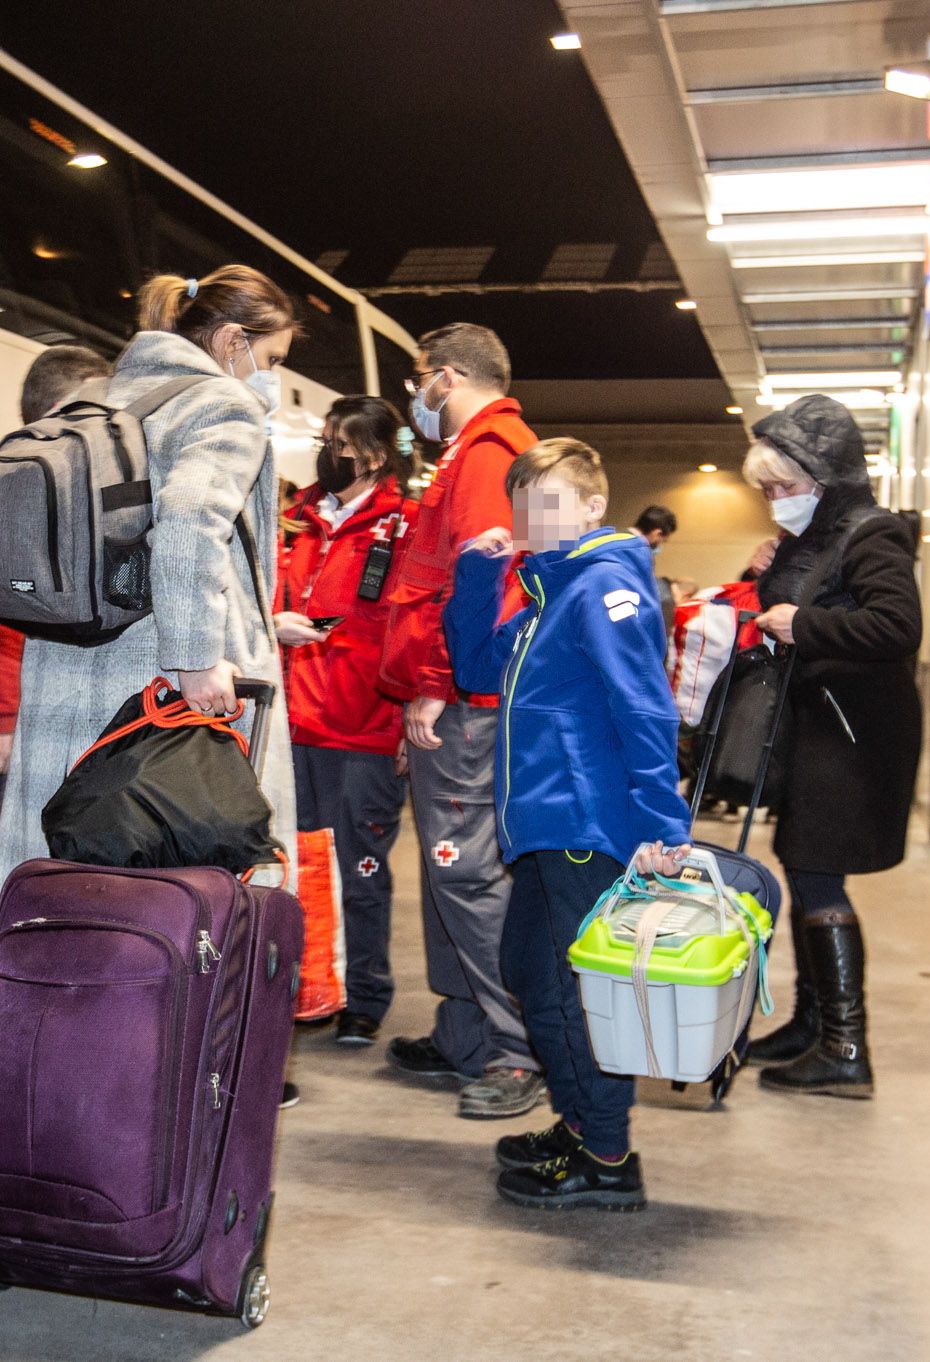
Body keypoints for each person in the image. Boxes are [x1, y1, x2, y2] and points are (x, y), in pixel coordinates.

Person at [0, 264, 298, 956]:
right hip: (164, 703)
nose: (268, 378)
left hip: (68, 677)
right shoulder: (218, 404)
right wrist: (194, 657)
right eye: (270, 359)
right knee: (182, 908)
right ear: (232, 340)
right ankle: (173, 1057)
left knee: (70, 904)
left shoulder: (96, 398)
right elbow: (186, 522)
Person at [443, 438, 693, 1211]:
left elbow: (644, 705)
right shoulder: (547, 598)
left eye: (550, 502)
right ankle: (580, 1125)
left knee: (575, 993)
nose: (533, 519)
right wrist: (480, 573)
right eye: (524, 504)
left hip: (585, 823)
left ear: (592, 506)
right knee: (531, 973)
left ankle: (607, 1155)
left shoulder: (603, 587)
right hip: (547, 826)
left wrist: (662, 820)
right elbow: (474, 670)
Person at [376, 323, 545, 1120]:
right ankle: (465, 1029)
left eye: (419, 380)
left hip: (465, 701)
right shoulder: (484, 449)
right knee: (451, 870)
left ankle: (516, 1049)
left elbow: (487, 580)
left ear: (445, 378)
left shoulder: (484, 456)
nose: (417, 398)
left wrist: (437, 683)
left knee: (468, 873)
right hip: (455, 696)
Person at [737, 395, 923, 1100]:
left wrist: (802, 623)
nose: (774, 501)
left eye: (784, 488)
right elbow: (796, 604)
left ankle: (846, 1046)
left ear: (825, 476)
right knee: (802, 861)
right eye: (766, 492)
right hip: (819, 725)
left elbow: (896, 626)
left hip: (853, 734)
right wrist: (768, 573)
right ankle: (814, 1023)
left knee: (818, 872)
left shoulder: (871, 534)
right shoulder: (815, 535)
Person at [0, 343, 111, 1045]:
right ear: (60, 406)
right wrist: (5, 719)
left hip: (39, 716)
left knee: (25, 870)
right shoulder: (20, 478)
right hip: (18, 724)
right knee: (0, 873)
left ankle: (20, 1019)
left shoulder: (32, 475)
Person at [273, 396, 419, 1047]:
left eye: (341, 442)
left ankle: (365, 994)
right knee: (299, 865)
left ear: (376, 456)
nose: (328, 452)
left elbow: (412, 630)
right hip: (293, 723)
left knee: (360, 868)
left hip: (365, 729)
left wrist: (409, 715)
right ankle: (309, 987)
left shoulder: (406, 528)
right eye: (325, 438)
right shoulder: (295, 521)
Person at [635, 505, 680, 645]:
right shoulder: (636, 550)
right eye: (663, 540)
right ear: (656, 534)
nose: (660, 545)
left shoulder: (615, 539)